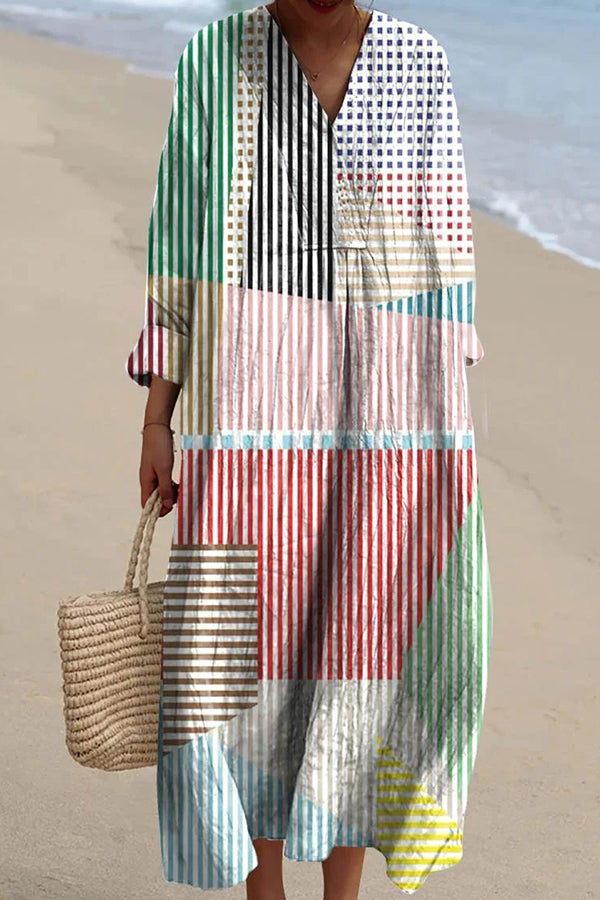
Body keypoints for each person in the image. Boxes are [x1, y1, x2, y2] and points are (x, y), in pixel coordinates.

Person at [126, 1, 493, 898]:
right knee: (243, 653)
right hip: (250, 418)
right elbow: (178, 250)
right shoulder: (216, 60)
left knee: (364, 646)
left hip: (390, 419)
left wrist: (444, 432)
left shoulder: (417, 64)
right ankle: (263, 894)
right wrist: (156, 419)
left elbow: (444, 254)